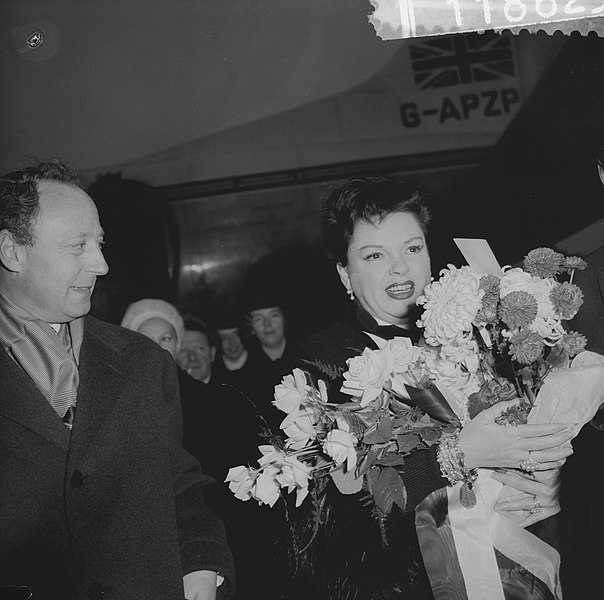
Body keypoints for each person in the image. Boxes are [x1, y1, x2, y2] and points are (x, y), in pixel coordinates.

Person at [282, 176, 574, 600]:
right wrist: (458, 457)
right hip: (410, 583)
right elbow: (333, 514)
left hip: (519, 565)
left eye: (412, 248)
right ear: (345, 274)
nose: (399, 268)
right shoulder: (319, 364)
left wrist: (540, 479)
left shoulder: (481, 333)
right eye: (374, 255)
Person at [0, 160, 234, 600]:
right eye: (78, 246)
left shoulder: (143, 362)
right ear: (11, 251)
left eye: (100, 243)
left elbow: (179, 481)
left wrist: (201, 561)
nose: (102, 264)